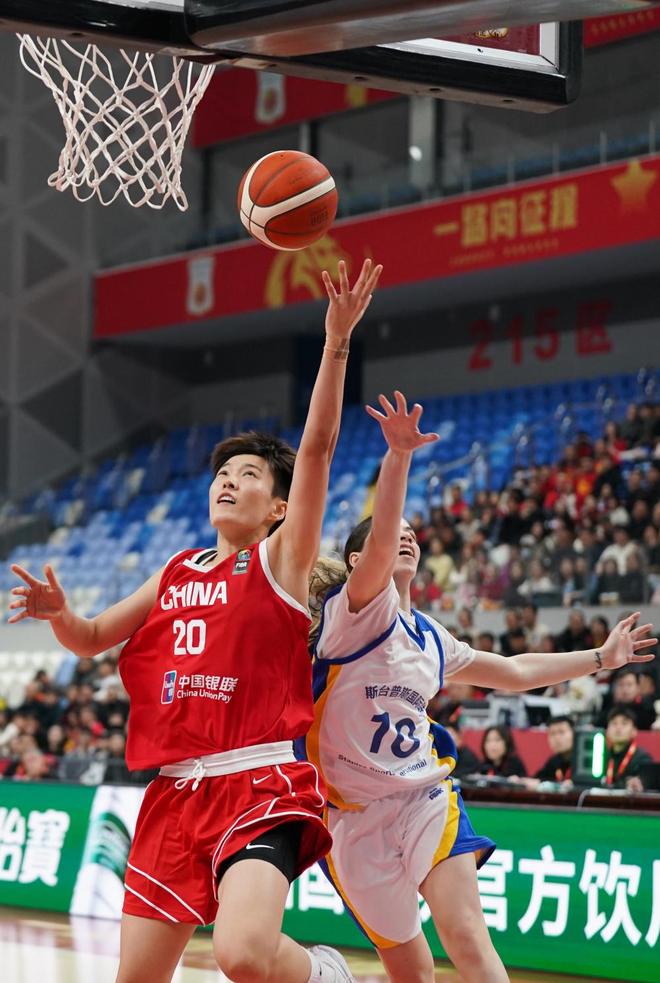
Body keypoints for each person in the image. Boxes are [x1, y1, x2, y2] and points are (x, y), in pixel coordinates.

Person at [9, 257, 382, 983]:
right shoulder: (176, 570)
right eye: (222, 473)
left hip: (259, 782)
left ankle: (327, 975)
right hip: (175, 793)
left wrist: (336, 342)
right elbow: (90, 639)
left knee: (241, 954)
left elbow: (316, 450)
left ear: (278, 508)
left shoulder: (281, 562)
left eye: (249, 475)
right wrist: (61, 614)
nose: (229, 481)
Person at [306, 391, 657, 983]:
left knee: (469, 937)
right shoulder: (353, 615)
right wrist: (398, 458)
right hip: (351, 819)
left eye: (413, 534)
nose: (405, 538)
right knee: (412, 973)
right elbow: (383, 533)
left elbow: (514, 671)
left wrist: (602, 657)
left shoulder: (431, 638)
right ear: (359, 562)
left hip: (423, 798)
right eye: (392, 535)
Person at [602, 706, 653, 792]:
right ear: (607, 730)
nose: (618, 728)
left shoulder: (642, 759)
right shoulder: (601, 757)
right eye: (614, 723)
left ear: (634, 731)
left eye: (624, 723)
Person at [523, 715, 575, 788]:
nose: (557, 737)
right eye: (552, 734)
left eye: (561, 732)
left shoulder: (583, 762)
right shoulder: (554, 761)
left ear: (574, 733)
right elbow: (537, 780)